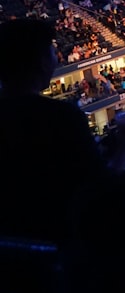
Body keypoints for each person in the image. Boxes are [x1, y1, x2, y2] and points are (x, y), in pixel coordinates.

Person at [0, 19, 106, 245]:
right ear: (41, 61)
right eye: (52, 51)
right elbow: (95, 186)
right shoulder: (63, 117)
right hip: (59, 244)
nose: (57, 57)